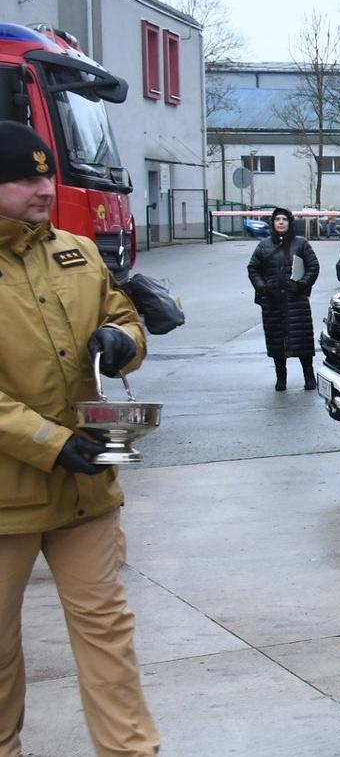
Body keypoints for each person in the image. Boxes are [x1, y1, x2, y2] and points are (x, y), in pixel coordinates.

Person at [0, 120, 158, 755]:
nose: (46, 188)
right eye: (28, 178)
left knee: (107, 630)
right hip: (8, 499)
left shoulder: (78, 250)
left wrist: (124, 344)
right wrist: (48, 442)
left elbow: (122, 317)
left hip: (86, 487)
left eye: (46, 173)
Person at [246, 206, 321, 391]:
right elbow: (253, 269)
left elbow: (313, 267)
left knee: (302, 340)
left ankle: (309, 377)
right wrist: (263, 288)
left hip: (297, 300)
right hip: (272, 302)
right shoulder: (263, 246)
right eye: (277, 219)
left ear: (290, 223)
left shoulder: (301, 243)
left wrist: (301, 284)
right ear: (272, 223)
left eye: (284, 219)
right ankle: (281, 378)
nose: (281, 222)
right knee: (276, 341)